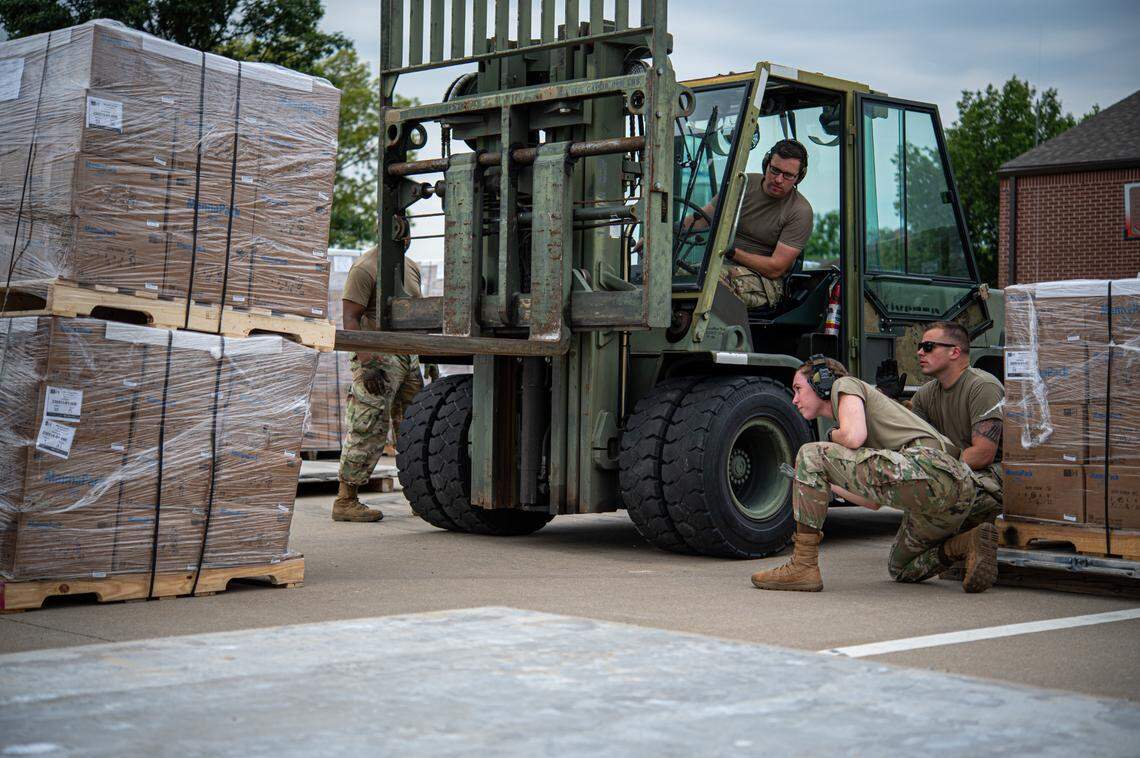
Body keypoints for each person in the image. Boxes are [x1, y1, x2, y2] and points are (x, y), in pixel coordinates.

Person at [749, 356, 999, 593]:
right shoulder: (861, 420)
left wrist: (829, 439)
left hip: (933, 469)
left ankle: (803, 566)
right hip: (952, 490)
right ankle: (966, 543)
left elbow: (852, 436)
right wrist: (821, 482)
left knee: (811, 453)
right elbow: (872, 501)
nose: (794, 399)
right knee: (901, 569)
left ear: (821, 383)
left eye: (798, 389)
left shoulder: (844, 385)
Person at [333, 247, 425, 522]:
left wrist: (426, 357)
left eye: (407, 231)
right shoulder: (365, 267)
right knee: (368, 424)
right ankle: (346, 500)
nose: (404, 237)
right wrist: (366, 361)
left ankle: (420, 498)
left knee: (415, 427)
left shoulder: (411, 266)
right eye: (398, 230)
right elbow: (350, 317)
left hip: (407, 354)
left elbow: (417, 314)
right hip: (377, 354)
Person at [685, 139, 814, 309]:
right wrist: (657, 236)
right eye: (774, 170)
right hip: (722, 266)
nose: (778, 180)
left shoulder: (800, 211)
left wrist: (731, 252)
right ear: (766, 165)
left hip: (765, 282)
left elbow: (775, 268)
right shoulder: (743, 184)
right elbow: (700, 219)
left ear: (799, 178)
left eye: (788, 175)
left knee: (711, 282)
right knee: (676, 277)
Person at [910, 321, 1004, 525]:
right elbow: (915, 445)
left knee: (944, 501)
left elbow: (983, 454)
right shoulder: (924, 395)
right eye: (919, 346)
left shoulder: (983, 387)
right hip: (954, 472)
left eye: (928, 347)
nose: (919, 352)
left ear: (954, 352)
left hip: (991, 478)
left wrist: (931, 467)